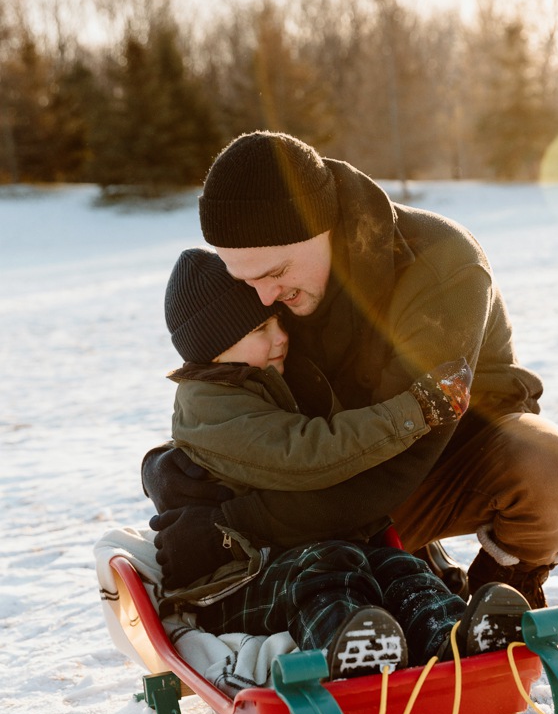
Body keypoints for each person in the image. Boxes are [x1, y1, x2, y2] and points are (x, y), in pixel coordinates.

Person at [144, 131, 558, 610]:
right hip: (335, 463)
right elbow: (228, 386)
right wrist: (169, 468)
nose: (265, 298)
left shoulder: (440, 267)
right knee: (309, 575)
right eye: (247, 281)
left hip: (441, 455)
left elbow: (399, 462)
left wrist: (233, 523)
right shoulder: (277, 284)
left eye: (275, 273)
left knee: (549, 468)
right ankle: (399, 575)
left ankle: (502, 589)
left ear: (321, 226)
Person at [153, 246, 528, 679]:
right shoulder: (211, 406)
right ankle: (352, 650)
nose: (280, 337)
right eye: (260, 328)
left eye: (279, 321)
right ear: (213, 348)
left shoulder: (266, 380)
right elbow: (309, 454)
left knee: (398, 566)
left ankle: (457, 639)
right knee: (324, 567)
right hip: (237, 583)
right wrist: (414, 411)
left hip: (301, 553)